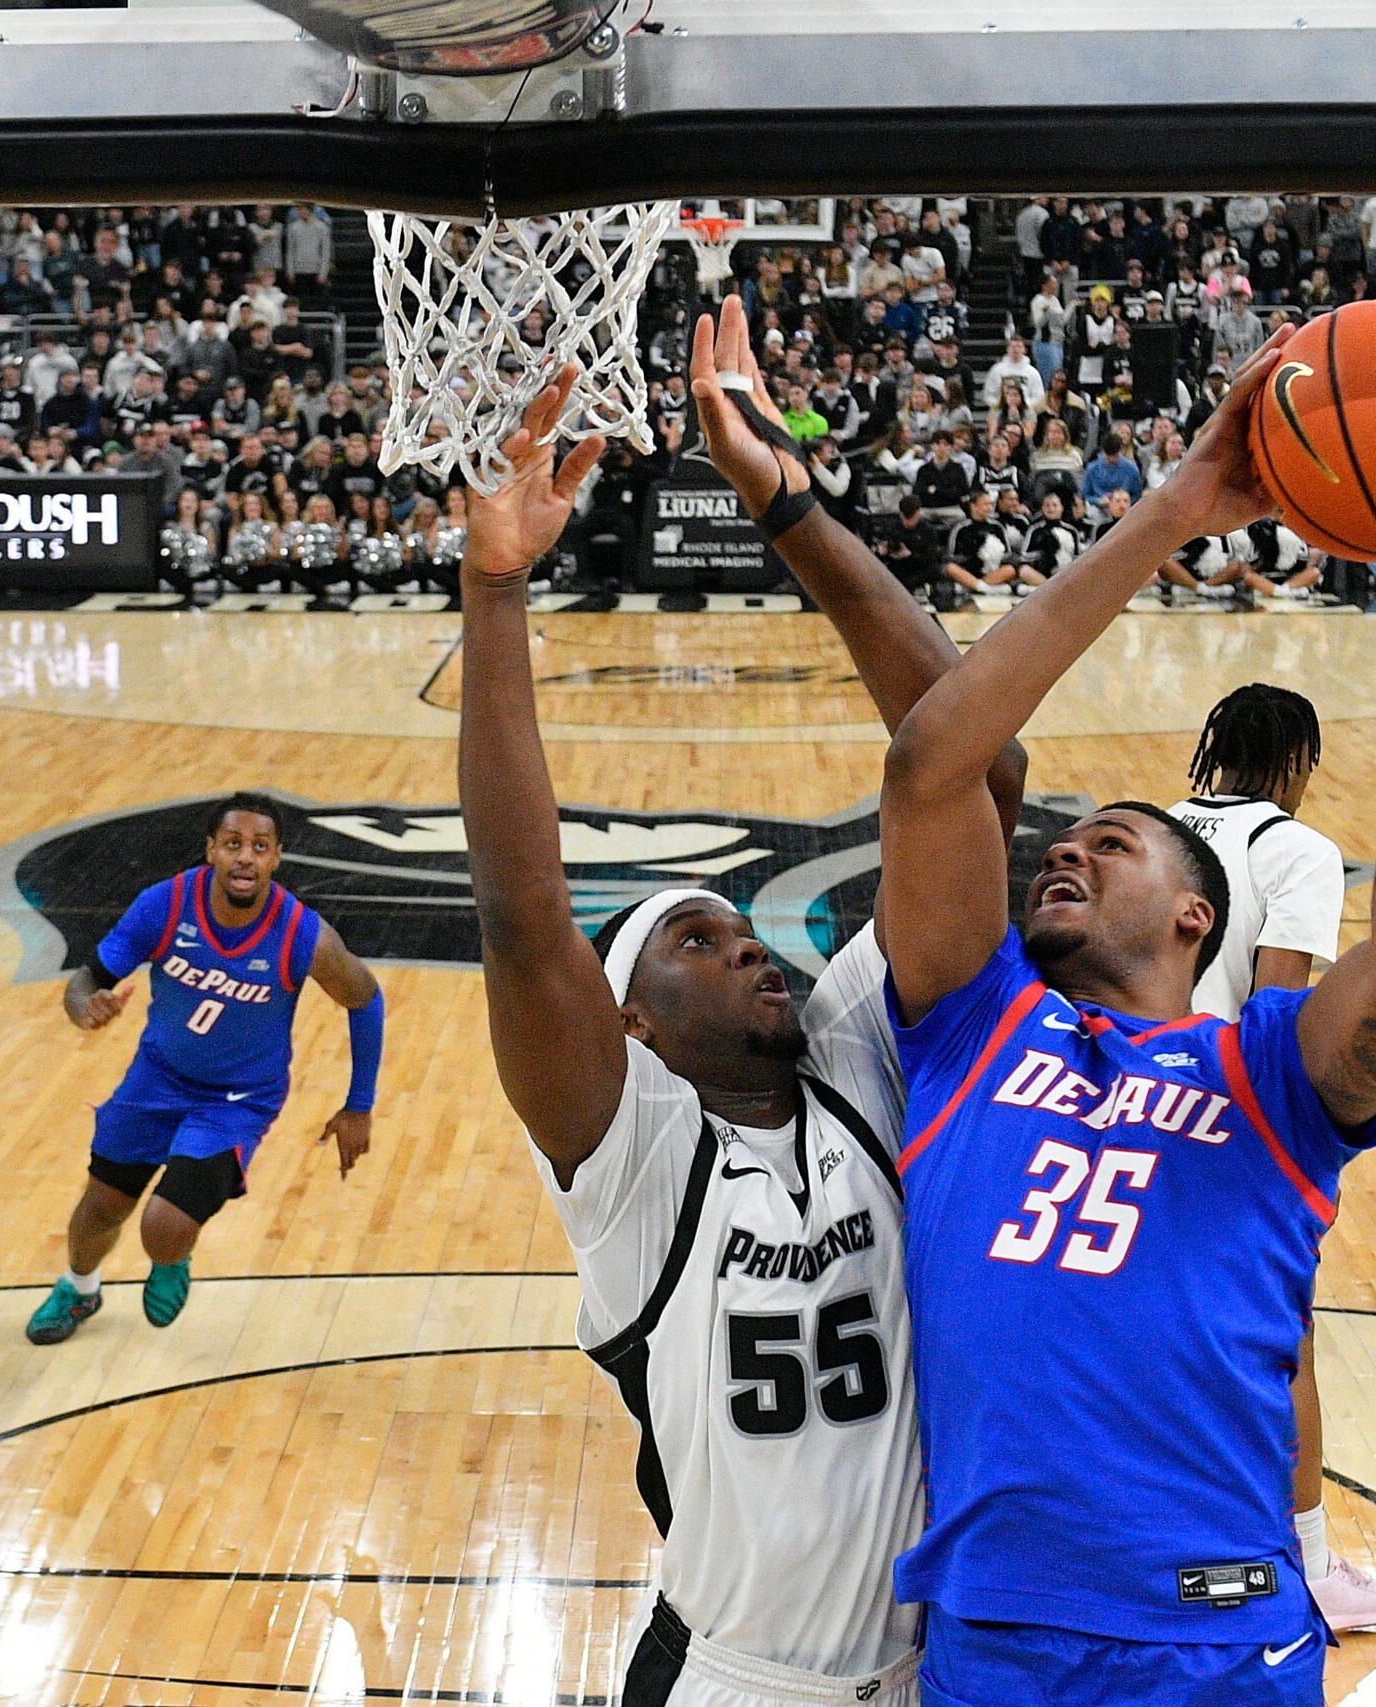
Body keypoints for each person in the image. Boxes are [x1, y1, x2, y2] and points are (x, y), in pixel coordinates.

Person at [877, 322, 1376, 1703]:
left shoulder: (1271, 1073)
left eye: (1114, 842)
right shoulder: (971, 1031)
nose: (1067, 849)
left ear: (1198, 913)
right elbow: (937, 759)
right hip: (991, 1635)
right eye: (1065, 840)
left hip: (1212, 1644)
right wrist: (1175, 508)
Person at [458, 318, 1028, 1703]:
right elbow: (527, 915)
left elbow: (978, 770)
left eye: (746, 924)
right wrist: (494, 589)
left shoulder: (856, 1054)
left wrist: (790, 507)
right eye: (697, 940)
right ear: (631, 1027)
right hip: (737, 1678)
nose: (752, 944)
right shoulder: (635, 1160)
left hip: (933, 1668)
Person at [1166, 686, 1376, 1635]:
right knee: (1286, 1344)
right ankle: (1307, 1565)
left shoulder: (1150, 826)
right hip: (1224, 1126)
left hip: (1110, 1107)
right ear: (1298, 761)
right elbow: (1278, 1012)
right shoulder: (1296, 850)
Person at [23, 793, 384, 1345]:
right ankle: (79, 1288)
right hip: (156, 1078)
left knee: (162, 1228)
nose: (245, 858)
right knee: (101, 1206)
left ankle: (171, 1260)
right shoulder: (164, 905)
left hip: (238, 1100)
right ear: (211, 850)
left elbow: (365, 998)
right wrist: (85, 1009)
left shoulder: (300, 933)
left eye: (259, 847)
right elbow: (86, 981)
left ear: (276, 858)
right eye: (233, 844)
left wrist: (358, 1104)